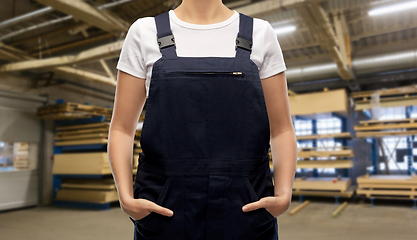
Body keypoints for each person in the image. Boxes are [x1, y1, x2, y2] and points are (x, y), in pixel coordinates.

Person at [108, 0, 297, 239]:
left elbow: (281, 129)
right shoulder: (144, 32)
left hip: (246, 209)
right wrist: (125, 198)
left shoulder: (260, 33)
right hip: (165, 211)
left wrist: (283, 194)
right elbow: (122, 129)